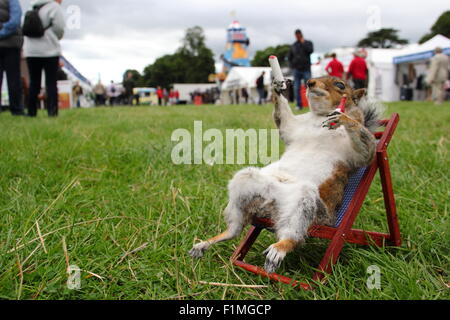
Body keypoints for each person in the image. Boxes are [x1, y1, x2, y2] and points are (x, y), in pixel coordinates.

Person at [24, 0, 65, 117]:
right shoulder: (54, 7)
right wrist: (55, 36)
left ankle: (31, 111)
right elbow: (59, 28)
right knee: (51, 82)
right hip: (50, 50)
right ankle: (52, 111)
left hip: (31, 51)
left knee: (34, 82)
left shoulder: (31, 6)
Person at [0, 0, 24, 115]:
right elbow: (15, 20)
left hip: (11, 44)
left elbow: (15, 21)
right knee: (14, 79)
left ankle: (16, 108)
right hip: (12, 43)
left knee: (13, 79)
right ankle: (17, 109)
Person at [288, 29, 314, 110]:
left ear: (301, 34)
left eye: (299, 35)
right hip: (297, 70)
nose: (298, 36)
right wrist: (292, 66)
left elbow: (310, 50)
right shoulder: (294, 45)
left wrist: (303, 43)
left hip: (306, 69)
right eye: (296, 35)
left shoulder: (308, 43)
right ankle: (299, 105)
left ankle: (311, 105)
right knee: (296, 88)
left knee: (310, 87)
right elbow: (289, 57)